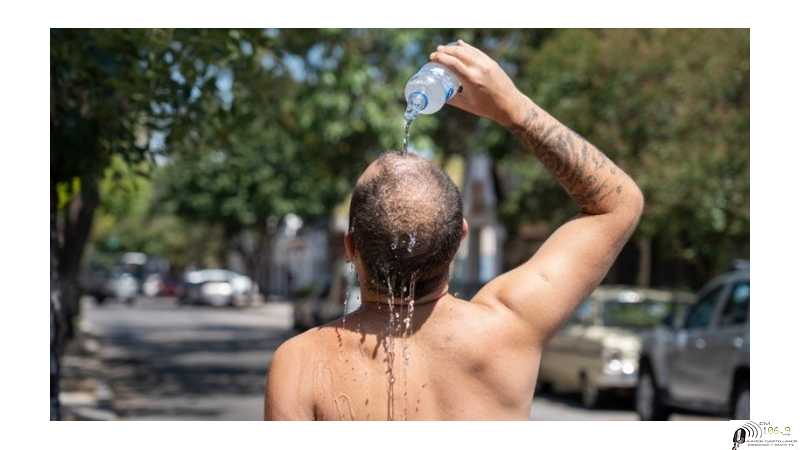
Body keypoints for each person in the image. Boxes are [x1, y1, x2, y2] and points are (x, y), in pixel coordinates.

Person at [264, 40, 644, 420]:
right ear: (461, 237)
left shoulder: (301, 364)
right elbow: (619, 202)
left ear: (350, 247)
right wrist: (515, 110)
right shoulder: (509, 327)